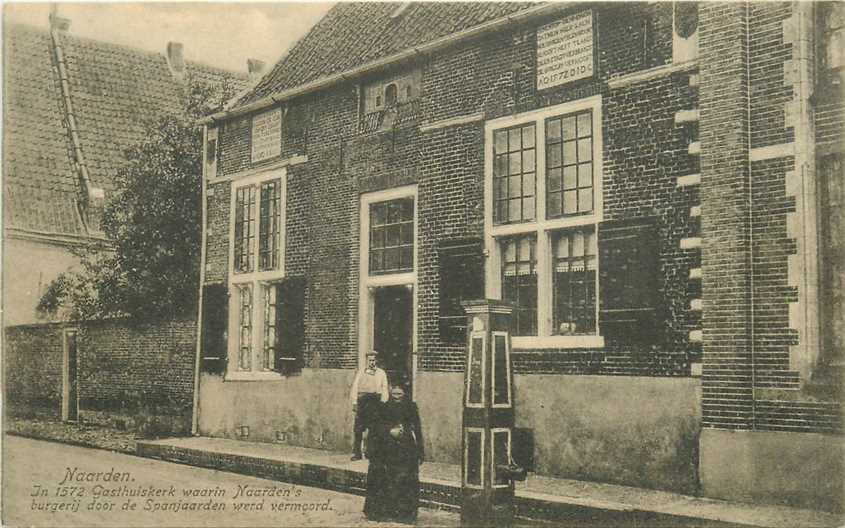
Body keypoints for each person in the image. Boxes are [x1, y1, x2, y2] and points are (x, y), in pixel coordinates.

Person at [363, 382, 424, 524]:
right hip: (387, 447)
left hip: (406, 447)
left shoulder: (411, 407)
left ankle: (405, 513)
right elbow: (375, 427)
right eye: (395, 394)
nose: (397, 397)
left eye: (400, 394)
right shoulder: (383, 407)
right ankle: (385, 511)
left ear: (405, 393)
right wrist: (390, 431)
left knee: (406, 479)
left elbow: (417, 428)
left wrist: (420, 451)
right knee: (387, 479)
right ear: (390, 392)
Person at [349, 350, 389, 461]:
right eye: (370, 360)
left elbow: (384, 388)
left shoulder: (381, 373)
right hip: (363, 402)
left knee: (374, 428)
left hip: (375, 402)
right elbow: (355, 387)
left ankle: (370, 452)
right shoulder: (361, 372)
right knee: (358, 429)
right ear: (366, 361)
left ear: (377, 361)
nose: (372, 362)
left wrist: (383, 403)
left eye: (374, 360)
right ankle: (357, 453)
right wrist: (354, 402)